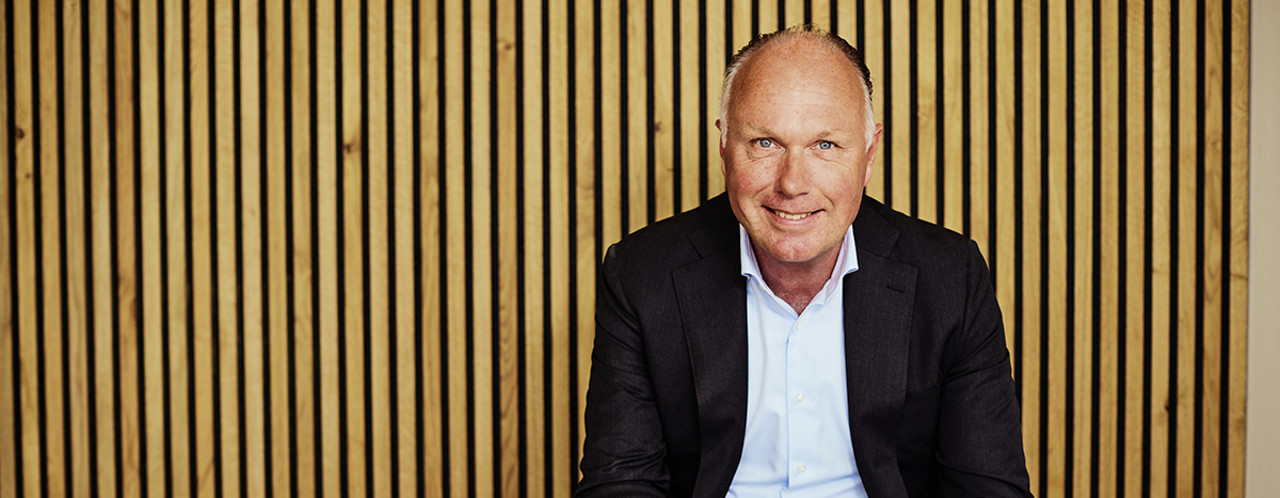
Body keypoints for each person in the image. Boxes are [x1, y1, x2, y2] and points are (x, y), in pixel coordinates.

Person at [578, 25, 1032, 497]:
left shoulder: (950, 278)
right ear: (724, 146)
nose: (792, 184)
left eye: (825, 145)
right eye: (765, 143)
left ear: (869, 153)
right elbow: (620, 484)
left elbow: (988, 488)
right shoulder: (641, 276)